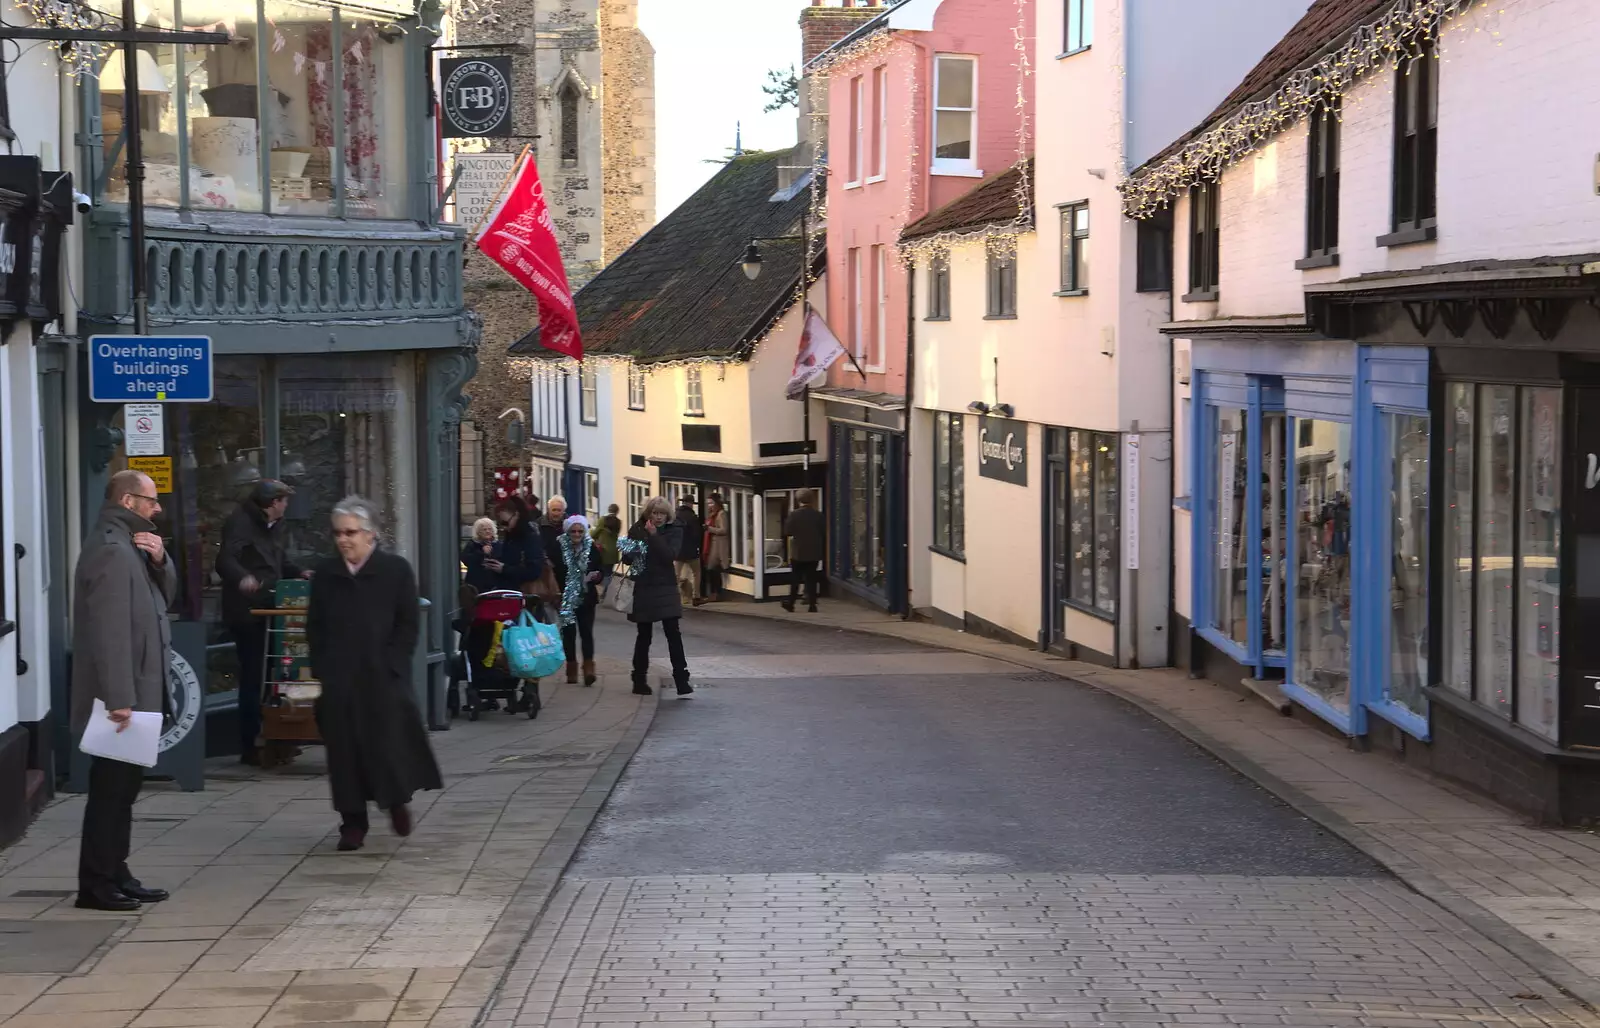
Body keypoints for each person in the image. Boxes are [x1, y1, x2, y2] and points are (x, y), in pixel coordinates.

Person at [306, 496, 443, 852]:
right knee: (343, 753)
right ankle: (352, 822)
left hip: (382, 677)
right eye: (338, 533)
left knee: (388, 746)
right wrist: (322, 667)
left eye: (350, 532)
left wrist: (394, 663)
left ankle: (396, 801)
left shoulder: (395, 570)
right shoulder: (326, 574)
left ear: (370, 535)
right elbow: (315, 626)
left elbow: (408, 624)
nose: (343, 540)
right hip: (340, 679)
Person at [71, 470, 176, 911]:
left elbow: (161, 600)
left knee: (124, 787)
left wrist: (160, 561)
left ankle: (117, 871)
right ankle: (96, 883)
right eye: (152, 502)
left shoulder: (131, 546)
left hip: (137, 690)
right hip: (122, 698)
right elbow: (109, 632)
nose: (157, 510)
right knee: (111, 790)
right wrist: (118, 698)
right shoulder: (112, 551)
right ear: (129, 502)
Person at [216, 479, 305, 765]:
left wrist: (300, 573)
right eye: (284, 501)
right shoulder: (240, 523)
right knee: (254, 675)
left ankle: (278, 735)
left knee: (276, 673)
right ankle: (250, 743)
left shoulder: (275, 527)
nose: (286, 505)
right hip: (248, 613)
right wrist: (243, 577)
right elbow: (225, 560)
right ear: (272, 503)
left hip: (272, 607)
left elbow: (278, 563)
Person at [624, 497, 694, 697]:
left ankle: (681, 679)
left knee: (673, 632)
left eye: (661, 513)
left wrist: (653, 536)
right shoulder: (637, 528)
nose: (658, 517)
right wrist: (632, 549)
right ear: (648, 513)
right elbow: (628, 559)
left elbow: (669, 555)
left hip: (665, 586)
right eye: (654, 513)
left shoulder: (674, 530)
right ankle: (639, 679)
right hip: (644, 586)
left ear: (667, 515)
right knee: (644, 635)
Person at [553, 514, 604, 686]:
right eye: (573, 531)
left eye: (580, 531)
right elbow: (553, 570)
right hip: (565, 596)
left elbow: (600, 568)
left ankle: (589, 669)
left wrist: (597, 576)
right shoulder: (558, 547)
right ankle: (572, 669)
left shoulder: (592, 548)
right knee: (569, 634)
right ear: (568, 531)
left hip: (586, 597)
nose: (576, 534)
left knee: (586, 632)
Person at [781, 490, 826, 613]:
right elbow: (823, 531)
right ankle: (812, 605)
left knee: (795, 578)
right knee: (811, 578)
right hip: (814, 551)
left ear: (798, 500)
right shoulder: (818, 515)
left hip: (798, 551)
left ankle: (791, 603)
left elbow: (787, 531)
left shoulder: (794, 515)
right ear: (812, 499)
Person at [491, 494, 544, 593]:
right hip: (508, 591)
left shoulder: (529, 535)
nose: (503, 527)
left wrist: (504, 569)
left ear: (516, 515)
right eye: (500, 523)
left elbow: (534, 571)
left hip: (523, 594)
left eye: (505, 522)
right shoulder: (511, 534)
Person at [674, 496, 703, 607]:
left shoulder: (675, 515)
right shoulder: (693, 517)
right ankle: (696, 597)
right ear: (690, 504)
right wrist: (698, 547)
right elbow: (697, 535)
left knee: (676, 574)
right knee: (696, 573)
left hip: (678, 550)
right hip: (691, 550)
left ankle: (674, 596)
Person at [461, 517, 502, 595]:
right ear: (478, 532)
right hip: (476, 584)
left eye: (490, 529)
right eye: (484, 529)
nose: (487, 531)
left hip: (495, 584)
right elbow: (465, 560)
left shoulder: (498, 544)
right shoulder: (472, 544)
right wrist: (481, 553)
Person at [702, 495, 730, 602]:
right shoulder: (712, 515)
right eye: (708, 503)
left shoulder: (721, 514)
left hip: (718, 546)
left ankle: (717, 593)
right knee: (711, 570)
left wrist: (709, 529)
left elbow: (724, 530)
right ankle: (714, 593)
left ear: (717, 503)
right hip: (712, 545)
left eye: (711, 503)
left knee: (713, 570)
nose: (710, 506)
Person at [592, 504, 622, 584]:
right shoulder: (618, 522)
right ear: (617, 511)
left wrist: (591, 530)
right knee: (609, 572)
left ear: (608, 510)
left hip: (603, 551)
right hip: (614, 552)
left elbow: (594, 534)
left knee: (601, 572)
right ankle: (607, 590)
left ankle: (602, 591)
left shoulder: (603, 520)